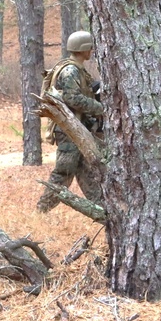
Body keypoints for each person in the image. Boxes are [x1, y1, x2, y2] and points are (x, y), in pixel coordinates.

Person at [36, 30, 104, 213]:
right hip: (68, 131)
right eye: (89, 47)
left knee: (89, 174)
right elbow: (73, 99)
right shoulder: (70, 70)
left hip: (76, 129)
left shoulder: (76, 69)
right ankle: (41, 211)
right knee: (63, 173)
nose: (92, 50)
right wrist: (101, 109)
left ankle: (105, 211)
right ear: (82, 49)